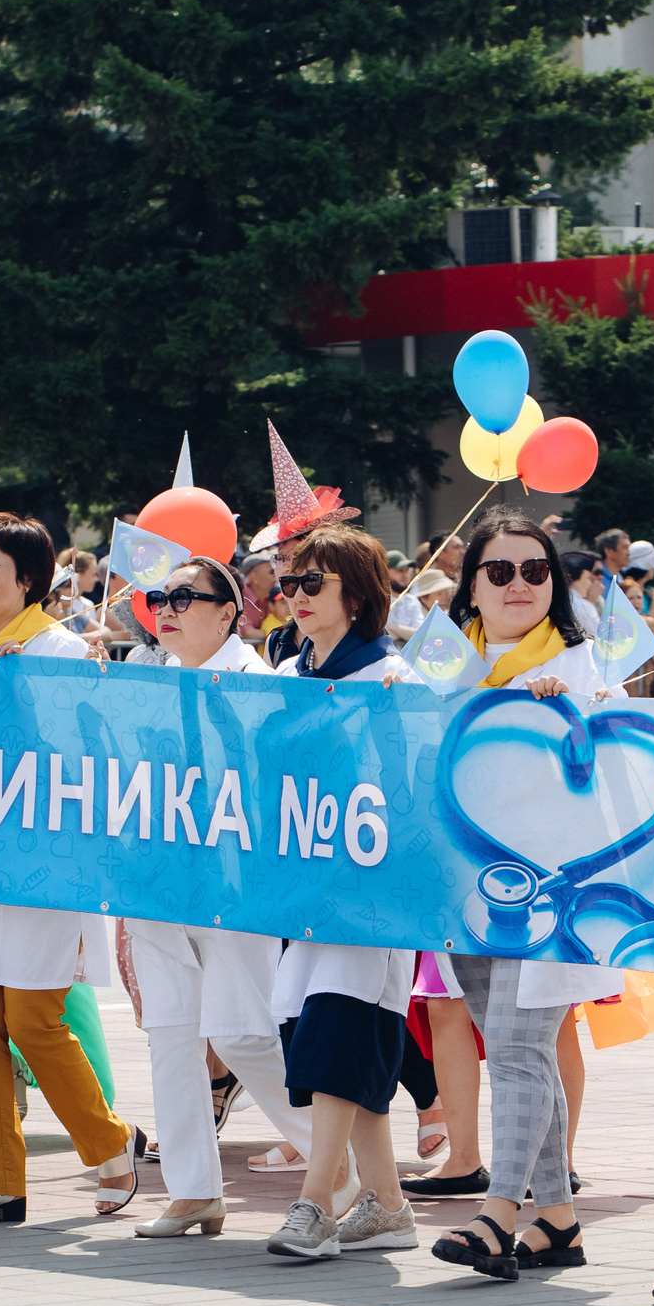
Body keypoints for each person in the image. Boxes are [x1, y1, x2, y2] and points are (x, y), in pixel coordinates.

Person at [425, 509, 622, 1281]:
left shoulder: (575, 667)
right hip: (464, 887)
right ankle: (561, 1219)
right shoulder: (441, 661)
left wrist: (572, 718)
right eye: (499, 570)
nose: (517, 585)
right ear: (471, 582)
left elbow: (605, 769)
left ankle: (499, 1212)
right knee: (515, 1049)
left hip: (550, 892)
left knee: (515, 1045)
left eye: (535, 571)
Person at [0, 513, 143, 1226]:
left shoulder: (57, 649)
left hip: (41, 863)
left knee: (32, 1018)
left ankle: (109, 1142)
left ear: (27, 579)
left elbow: (76, 752)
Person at [116, 555, 315, 1240]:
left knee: (242, 1031)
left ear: (229, 610)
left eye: (182, 596)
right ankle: (193, 1189)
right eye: (156, 598)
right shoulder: (146, 678)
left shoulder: (260, 683)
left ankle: (341, 1167)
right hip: (157, 881)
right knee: (171, 1032)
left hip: (235, 885)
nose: (164, 608)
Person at [255, 529, 423, 1260]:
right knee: (316, 1039)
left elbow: (411, 789)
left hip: (368, 896)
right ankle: (386, 1203)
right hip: (303, 889)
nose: (294, 596)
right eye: (286, 585)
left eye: (311, 582)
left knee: (335, 1036)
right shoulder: (290, 672)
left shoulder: (392, 679)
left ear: (356, 591)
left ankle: (316, 1202)